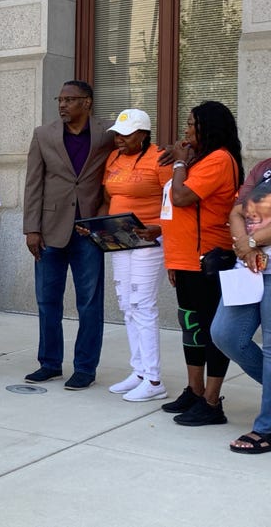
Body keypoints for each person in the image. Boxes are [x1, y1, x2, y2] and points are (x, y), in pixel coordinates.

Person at [22, 80, 114, 390]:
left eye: (70, 100)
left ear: (87, 103)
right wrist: (31, 228)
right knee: (47, 301)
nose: (62, 105)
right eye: (60, 99)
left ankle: (85, 367)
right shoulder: (43, 135)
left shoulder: (107, 135)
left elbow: (132, 156)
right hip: (49, 231)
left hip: (89, 230)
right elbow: (33, 184)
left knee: (89, 302)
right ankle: (49, 363)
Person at [159, 100, 243, 426]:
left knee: (210, 332)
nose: (186, 130)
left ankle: (211, 401)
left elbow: (182, 197)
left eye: (192, 124)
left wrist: (180, 164)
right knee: (191, 327)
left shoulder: (220, 160)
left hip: (207, 259)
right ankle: (194, 391)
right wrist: (172, 258)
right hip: (185, 259)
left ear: (208, 127)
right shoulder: (201, 160)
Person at [93, 109, 173, 401]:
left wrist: (160, 228)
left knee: (142, 304)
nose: (120, 140)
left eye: (127, 135)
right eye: (117, 134)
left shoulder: (159, 159)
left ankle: (154, 381)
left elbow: (175, 202)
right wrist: (97, 228)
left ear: (143, 135)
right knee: (126, 304)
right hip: (119, 236)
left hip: (148, 238)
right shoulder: (113, 158)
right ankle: (139, 371)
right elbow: (107, 197)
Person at [211, 162, 271, 452]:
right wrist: (244, 246)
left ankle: (267, 427)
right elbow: (236, 210)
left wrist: (249, 241)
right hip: (249, 266)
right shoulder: (265, 168)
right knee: (225, 334)